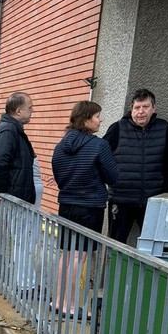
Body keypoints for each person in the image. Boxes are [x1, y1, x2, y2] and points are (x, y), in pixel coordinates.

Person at [103, 88, 168, 243]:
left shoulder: (164, 128)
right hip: (121, 200)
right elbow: (100, 156)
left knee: (153, 245)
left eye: (145, 107)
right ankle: (113, 268)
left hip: (152, 201)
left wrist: (163, 190)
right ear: (131, 109)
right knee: (116, 244)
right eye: (137, 107)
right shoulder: (118, 128)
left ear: (154, 108)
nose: (141, 111)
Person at [52, 100, 118, 234]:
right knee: (82, 252)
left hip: (66, 205)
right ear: (85, 120)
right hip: (90, 207)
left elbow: (59, 176)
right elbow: (112, 177)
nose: (101, 120)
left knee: (66, 249)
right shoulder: (100, 145)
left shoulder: (59, 147)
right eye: (97, 116)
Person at [0, 92, 36, 203]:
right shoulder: (8, 130)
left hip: (13, 202)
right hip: (12, 203)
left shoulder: (2, 128)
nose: (32, 111)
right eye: (30, 108)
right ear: (18, 111)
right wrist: (4, 192)